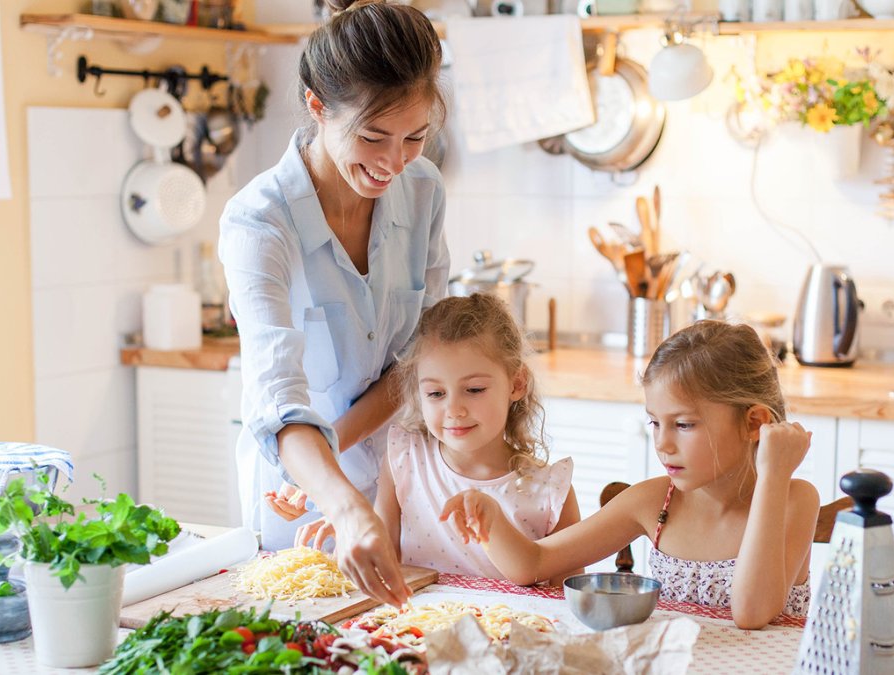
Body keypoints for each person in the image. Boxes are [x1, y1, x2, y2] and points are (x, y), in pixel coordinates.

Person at [218, 0, 447, 607]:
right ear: (317, 106)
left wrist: (355, 474)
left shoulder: (423, 190)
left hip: (405, 485)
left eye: (415, 137)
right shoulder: (259, 222)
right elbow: (277, 400)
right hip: (299, 502)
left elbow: (421, 359)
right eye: (372, 137)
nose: (394, 162)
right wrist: (342, 503)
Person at [441, 321, 820, 629]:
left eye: (684, 425)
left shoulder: (793, 498)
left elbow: (752, 613)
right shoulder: (656, 502)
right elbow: (534, 563)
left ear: (754, 422)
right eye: (655, 423)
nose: (663, 444)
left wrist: (773, 474)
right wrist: (490, 517)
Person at [297, 294, 583, 585]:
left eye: (474, 389)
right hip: (418, 629)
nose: (454, 410)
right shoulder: (403, 458)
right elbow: (386, 561)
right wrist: (353, 531)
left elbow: (566, 605)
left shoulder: (551, 491)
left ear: (517, 384)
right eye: (436, 394)